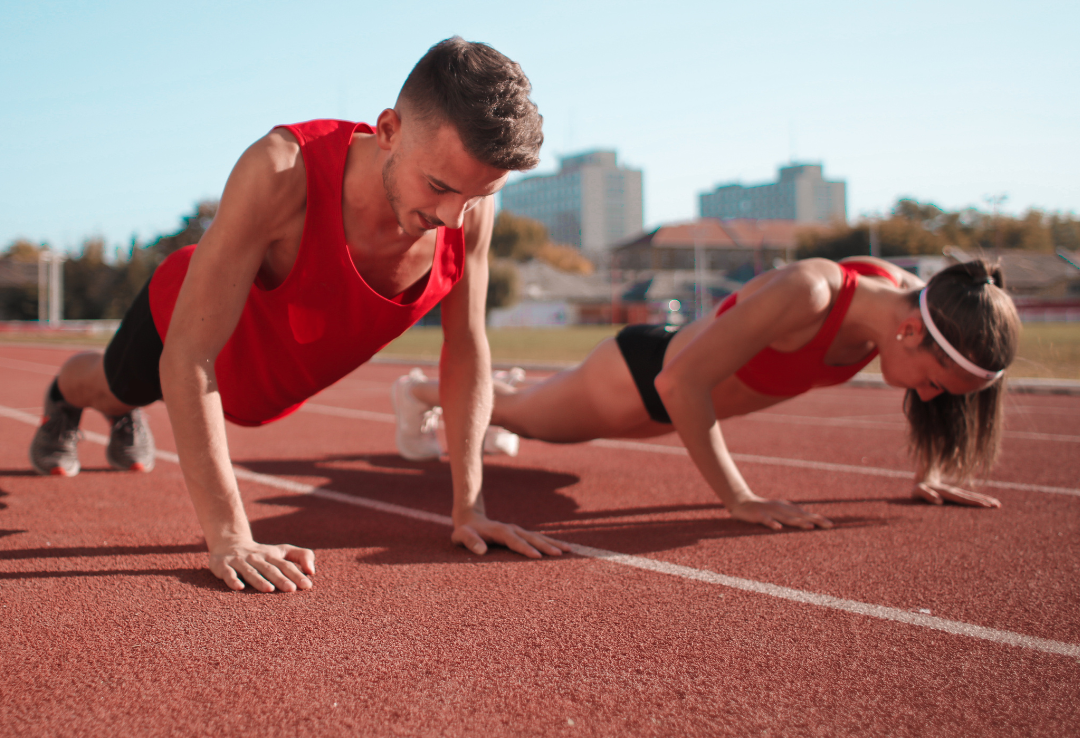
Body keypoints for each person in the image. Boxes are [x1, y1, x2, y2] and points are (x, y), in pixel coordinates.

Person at [29, 37, 568, 591]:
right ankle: (66, 400)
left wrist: (470, 509)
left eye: (477, 197)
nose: (455, 218)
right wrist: (231, 536)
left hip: (274, 379)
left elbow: (466, 346)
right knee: (115, 387)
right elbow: (189, 355)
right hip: (190, 324)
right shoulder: (281, 170)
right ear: (388, 131)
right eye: (438, 187)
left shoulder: (467, 206)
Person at [394, 257, 1021, 529]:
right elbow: (679, 381)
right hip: (642, 379)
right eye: (938, 383)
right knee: (528, 423)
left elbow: (934, 389)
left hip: (684, 407)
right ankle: (422, 392)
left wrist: (931, 471)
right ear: (910, 331)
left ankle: (492, 393)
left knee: (525, 421)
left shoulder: (911, 304)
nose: (935, 398)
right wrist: (740, 499)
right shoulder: (812, 293)